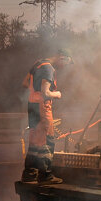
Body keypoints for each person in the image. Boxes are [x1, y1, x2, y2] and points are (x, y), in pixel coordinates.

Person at [20, 48, 73, 184]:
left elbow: (25, 83)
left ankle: (29, 174)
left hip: (31, 104)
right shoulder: (48, 68)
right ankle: (45, 175)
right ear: (62, 57)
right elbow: (46, 93)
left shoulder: (38, 64)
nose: (65, 66)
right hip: (42, 106)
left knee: (35, 140)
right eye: (66, 63)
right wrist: (57, 94)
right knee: (47, 140)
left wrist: (35, 91)